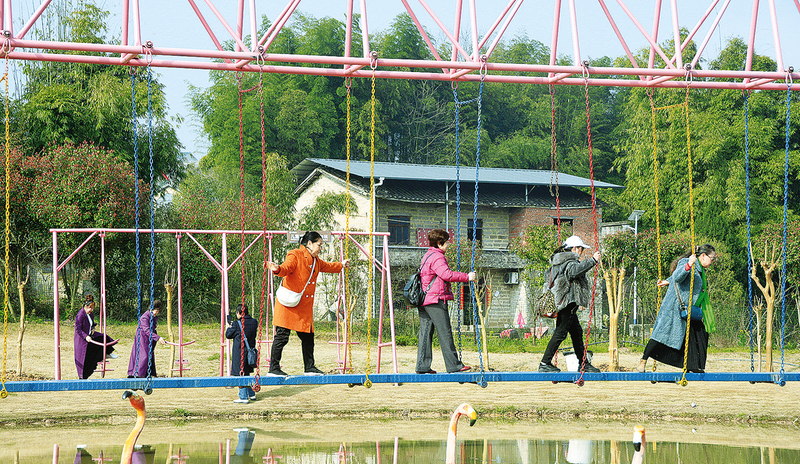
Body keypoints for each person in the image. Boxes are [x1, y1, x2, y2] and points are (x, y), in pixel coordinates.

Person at [266, 231, 350, 376]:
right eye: (319, 245)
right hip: (288, 304)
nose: (320, 248)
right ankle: (273, 369)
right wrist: (277, 269)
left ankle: (309, 368)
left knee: (308, 338)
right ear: (310, 243)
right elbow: (286, 268)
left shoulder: (316, 261)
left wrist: (341, 265)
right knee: (282, 336)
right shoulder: (295, 254)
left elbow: (328, 266)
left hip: (302, 308)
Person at [637, 244, 716, 373]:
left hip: (688, 308)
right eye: (712, 258)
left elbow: (678, 278)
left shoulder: (700, 269)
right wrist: (689, 264)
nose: (712, 261)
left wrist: (667, 281)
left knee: (699, 332)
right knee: (661, 334)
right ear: (703, 256)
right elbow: (678, 276)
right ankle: (643, 360)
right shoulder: (687, 262)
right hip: (674, 307)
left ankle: (692, 365)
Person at [538, 235, 602, 373]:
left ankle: (583, 363)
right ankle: (545, 363)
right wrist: (593, 260)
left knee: (577, 333)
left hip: (567, 303)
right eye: (581, 249)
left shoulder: (560, 261)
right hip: (567, 303)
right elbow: (574, 272)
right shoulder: (569, 261)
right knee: (560, 333)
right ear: (574, 248)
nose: (581, 252)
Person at [415, 228, 476, 374]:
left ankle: (422, 366)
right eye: (447, 242)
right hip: (436, 299)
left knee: (425, 333)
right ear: (439, 243)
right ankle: (454, 365)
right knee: (445, 332)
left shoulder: (427, 255)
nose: (448, 245)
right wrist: (467, 277)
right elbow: (446, 275)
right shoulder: (438, 257)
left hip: (424, 299)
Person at [73, 294, 117, 379]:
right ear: (86, 306)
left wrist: (93, 328)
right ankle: (83, 377)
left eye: (93, 308)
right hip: (83, 340)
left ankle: (107, 353)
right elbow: (78, 329)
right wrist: (86, 336)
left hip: (90, 336)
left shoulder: (90, 314)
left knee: (103, 338)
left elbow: (92, 323)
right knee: (85, 359)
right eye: (90, 308)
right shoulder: (80, 315)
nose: (91, 310)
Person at [226, 303, 259, 403]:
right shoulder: (254, 322)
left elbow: (228, 335)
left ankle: (243, 396)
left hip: (240, 353)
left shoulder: (237, 324)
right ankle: (251, 394)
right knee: (246, 373)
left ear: (239, 313)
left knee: (240, 373)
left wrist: (230, 326)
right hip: (250, 352)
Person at [127, 300, 166, 378]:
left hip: (149, 339)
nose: (156, 313)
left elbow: (153, 328)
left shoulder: (154, 317)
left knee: (149, 356)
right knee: (144, 356)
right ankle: (138, 374)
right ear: (151, 309)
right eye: (155, 311)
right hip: (142, 338)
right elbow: (147, 330)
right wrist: (158, 338)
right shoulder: (144, 317)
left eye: (157, 311)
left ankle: (148, 373)